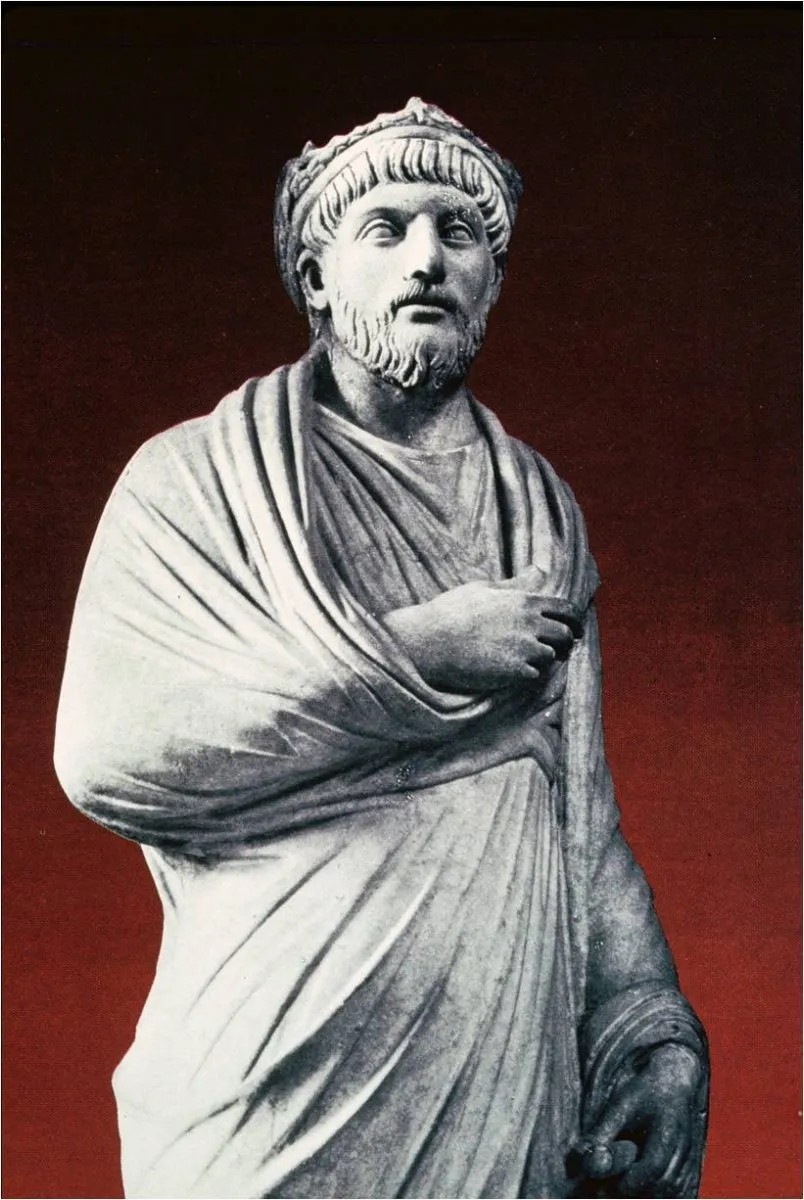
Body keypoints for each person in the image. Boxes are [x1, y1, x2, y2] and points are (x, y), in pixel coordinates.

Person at [54, 99, 709, 1199]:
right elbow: (109, 752)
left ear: (493, 280)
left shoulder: (539, 514)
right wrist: (414, 652)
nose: (428, 259)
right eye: (388, 228)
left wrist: (652, 1034)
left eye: (461, 233)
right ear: (317, 279)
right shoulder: (196, 484)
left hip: (504, 1086)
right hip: (269, 1066)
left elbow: (581, 821)